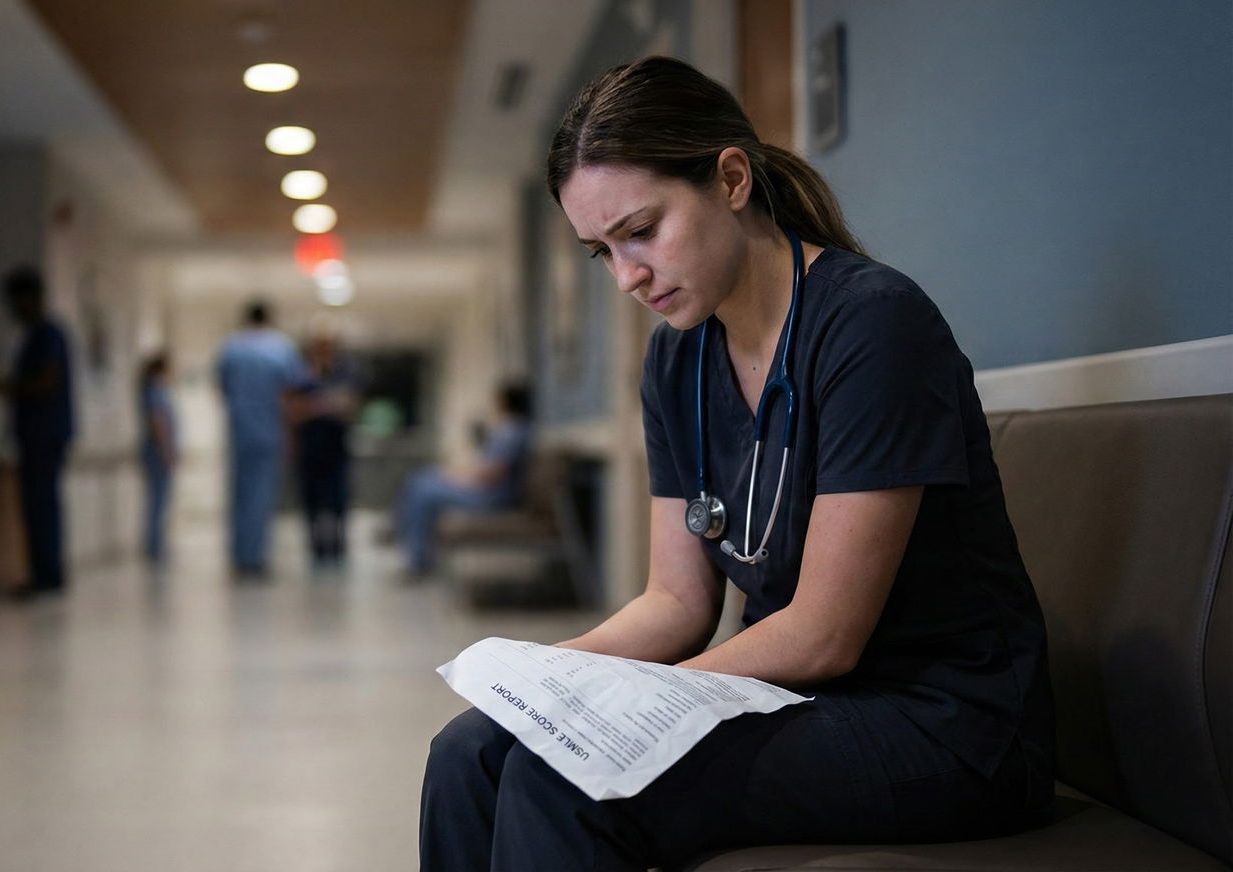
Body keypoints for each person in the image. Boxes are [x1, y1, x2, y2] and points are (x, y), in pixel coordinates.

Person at [419, 56, 1054, 871]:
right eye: (600, 252)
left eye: (641, 232)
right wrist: (539, 682)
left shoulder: (874, 325)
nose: (627, 278)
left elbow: (825, 635)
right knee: (470, 749)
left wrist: (640, 705)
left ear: (730, 179)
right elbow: (677, 602)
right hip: (797, 701)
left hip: (947, 722)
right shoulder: (676, 364)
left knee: (565, 782)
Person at [0, 265, 75, 600]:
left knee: (41, 505)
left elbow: (48, 380)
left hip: (44, 432)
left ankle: (46, 577)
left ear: (30, 298)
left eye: (15, 301)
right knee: (41, 505)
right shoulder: (39, 335)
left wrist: (7, 386)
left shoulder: (47, 334)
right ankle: (46, 574)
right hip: (41, 432)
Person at [394, 382, 532, 576]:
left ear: (505, 402)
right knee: (424, 480)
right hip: (492, 492)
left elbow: (493, 475)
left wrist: (459, 479)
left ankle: (418, 562)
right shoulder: (516, 430)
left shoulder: (512, 431)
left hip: (493, 498)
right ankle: (417, 553)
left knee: (421, 488)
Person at [215, 300, 304, 576]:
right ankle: (255, 559)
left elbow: (222, 387)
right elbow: (290, 394)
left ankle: (240, 558)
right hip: (269, 432)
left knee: (240, 497)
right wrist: (289, 435)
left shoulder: (231, 347)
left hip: (240, 431)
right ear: (269, 318)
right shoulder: (281, 347)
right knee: (262, 498)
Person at [293, 332, 360, 565]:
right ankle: (316, 547)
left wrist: (315, 406)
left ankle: (338, 545)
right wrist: (328, 405)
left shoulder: (346, 373)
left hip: (336, 448)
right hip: (310, 448)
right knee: (312, 500)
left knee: (338, 500)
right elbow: (295, 412)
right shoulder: (302, 375)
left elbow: (348, 408)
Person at [138, 351, 178, 565]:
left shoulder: (154, 389)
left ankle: (156, 544)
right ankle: (154, 547)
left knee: (159, 500)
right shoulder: (155, 390)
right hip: (158, 453)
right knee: (158, 501)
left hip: (156, 452)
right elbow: (158, 422)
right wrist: (167, 450)